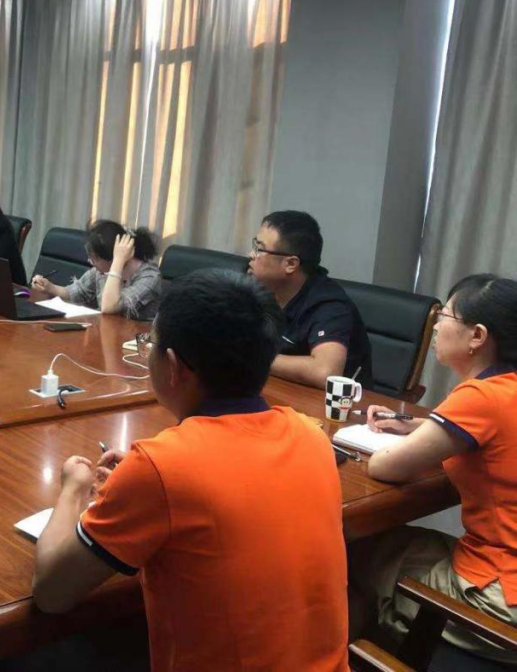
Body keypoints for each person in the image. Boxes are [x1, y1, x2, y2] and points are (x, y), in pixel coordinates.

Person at [32, 270, 348, 670]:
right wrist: (152, 486)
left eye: (150, 343)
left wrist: (73, 488)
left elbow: (52, 593)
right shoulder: (311, 435)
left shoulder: (162, 467)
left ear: (172, 365)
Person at [351, 274, 517, 664]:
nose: (437, 325)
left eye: (445, 315)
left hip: (497, 595)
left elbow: (385, 466)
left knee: (348, 549)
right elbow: (488, 435)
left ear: (477, 336)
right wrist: (417, 427)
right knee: (394, 541)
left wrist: (409, 439)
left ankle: (367, 653)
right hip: (503, 567)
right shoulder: (505, 390)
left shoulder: (479, 396)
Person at [248, 210, 372, 389]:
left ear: (291, 264)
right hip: (277, 389)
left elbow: (325, 372)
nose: (251, 254)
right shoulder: (257, 285)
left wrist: (252, 357)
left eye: (260, 249)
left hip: (334, 403)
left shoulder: (329, 306)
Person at [32, 220, 160, 320]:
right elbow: (77, 292)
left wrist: (118, 262)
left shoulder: (149, 277)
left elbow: (110, 307)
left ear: (113, 258)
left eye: (95, 259)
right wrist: (50, 287)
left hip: (135, 341)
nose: (90, 261)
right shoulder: (101, 271)